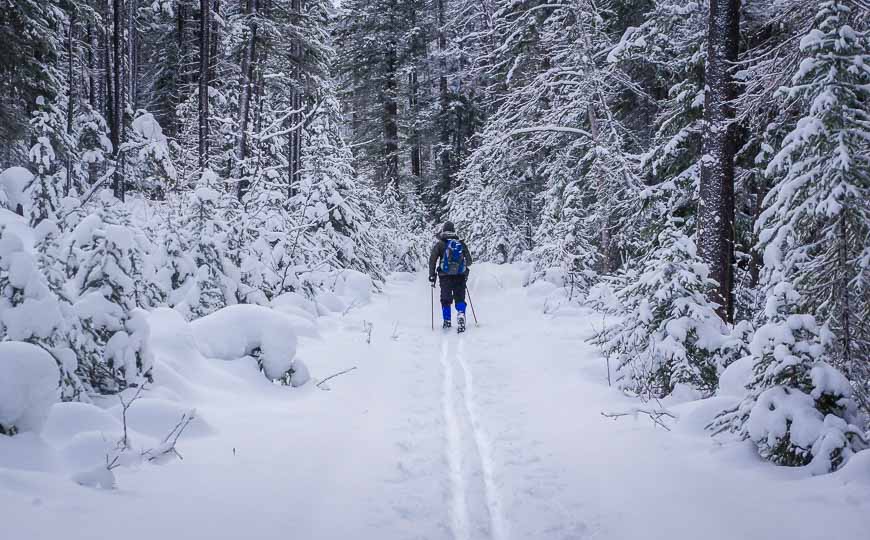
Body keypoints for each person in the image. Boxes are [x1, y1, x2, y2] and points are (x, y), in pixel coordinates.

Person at [428, 221, 472, 332]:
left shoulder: (440, 244)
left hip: (444, 276)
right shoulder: (460, 244)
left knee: (445, 298)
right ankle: (461, 314)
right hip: (460, 276)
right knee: (460, 297)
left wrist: (432, 275)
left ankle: (447, 320)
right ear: (453, 230)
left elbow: (432, 260)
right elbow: (470, 261)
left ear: (443, 230)